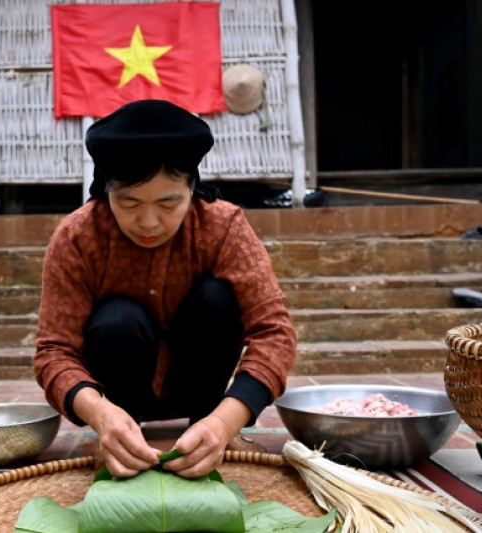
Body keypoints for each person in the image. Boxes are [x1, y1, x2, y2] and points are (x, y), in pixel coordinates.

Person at [33, 99, 297, 479]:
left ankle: (205, 428)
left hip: (202, 394)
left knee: (217, 298)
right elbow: (53, 352)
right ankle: (122, 433)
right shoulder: (78, 236)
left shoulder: (223, 227)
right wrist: (98, 413)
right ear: (105, 192)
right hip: (117, 398)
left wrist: (226, 421)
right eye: (129, 202)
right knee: (117, 319)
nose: (149, 221)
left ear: (193, 189)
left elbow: (274, 332)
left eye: (169, 203)